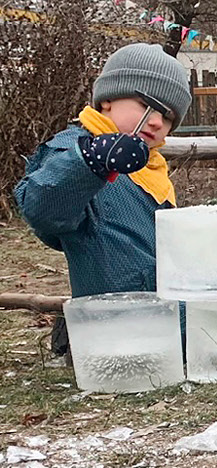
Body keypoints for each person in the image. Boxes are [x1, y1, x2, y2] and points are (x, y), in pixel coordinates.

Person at [15, 42, 191, 353]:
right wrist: (91, 161)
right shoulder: (73, 149)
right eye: (147, 106)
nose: (156, 122)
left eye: (168, 117)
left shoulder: (153, 168)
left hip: (163, 323)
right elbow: (41, 207)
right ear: (107, 99)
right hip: (111, 328)